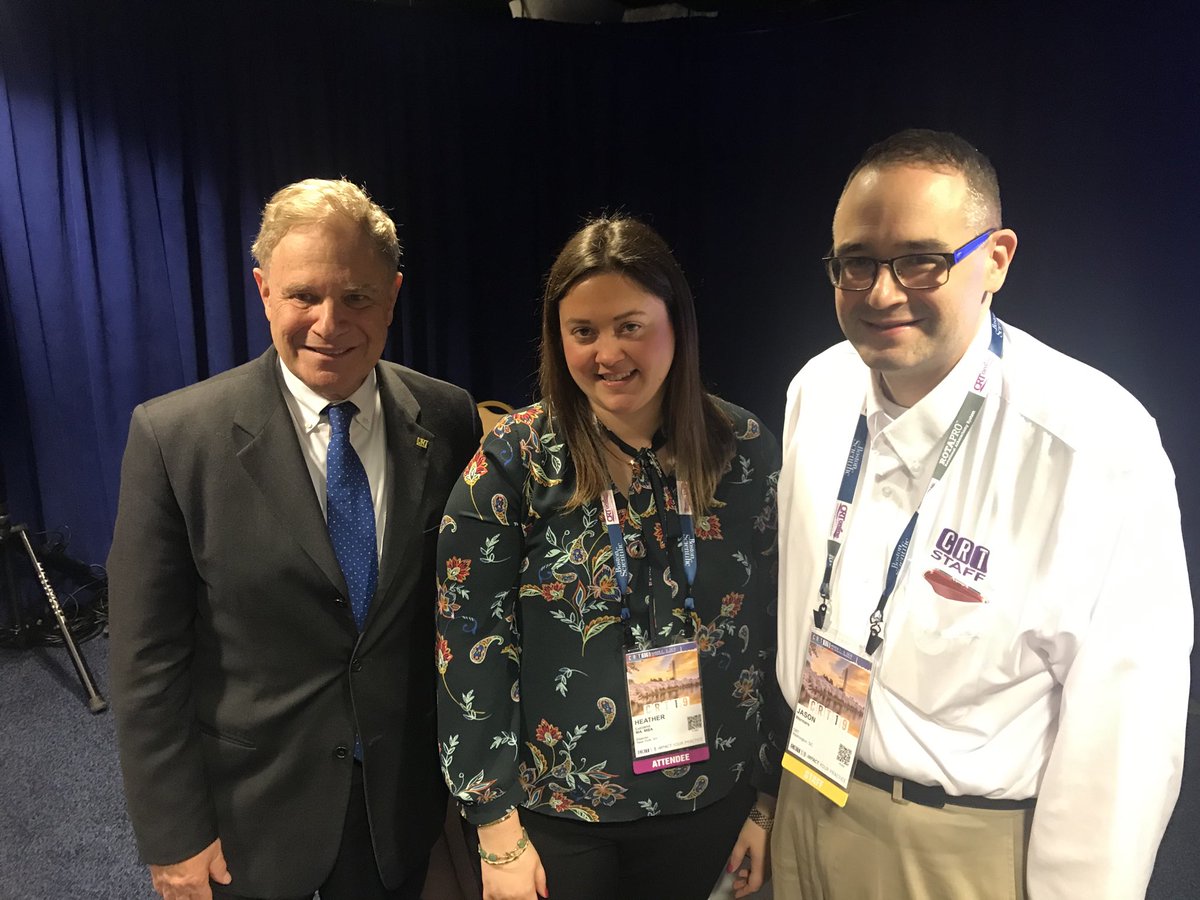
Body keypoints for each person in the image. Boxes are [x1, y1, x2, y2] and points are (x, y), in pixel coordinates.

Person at [772, 128, 1192, 899]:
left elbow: (1125, 736)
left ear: (995, 258)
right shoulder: (817, 392)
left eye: (922, 260)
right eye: (855, 262)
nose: (881, 291)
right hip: (809, 793)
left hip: (955, 844)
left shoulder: (1093, 442)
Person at [108, 178, 481, 900]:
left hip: (401, 809)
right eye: (304, 295)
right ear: (264, 291)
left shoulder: (449, 417)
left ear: (394, 295)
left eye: (358, 297)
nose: (330, 322)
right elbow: (146, 662)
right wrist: (173, 834)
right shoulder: (174, 439)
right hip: (252, 816)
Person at [435, 216, 782, 900]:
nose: (607, 353)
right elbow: (467, 639)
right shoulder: (516, 459)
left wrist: (768, 798)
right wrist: (493, 825)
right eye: (583, 331)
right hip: (558, 813)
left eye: (630, 325)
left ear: (675, 323)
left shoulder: (743, 450)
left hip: (711, 799)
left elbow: (776, 627)